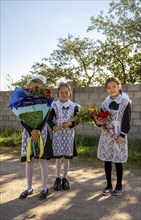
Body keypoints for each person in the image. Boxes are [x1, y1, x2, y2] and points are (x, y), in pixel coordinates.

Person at [95, 77, 131, 196]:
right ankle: (108, 184)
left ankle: (119, 185)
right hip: (107, 135)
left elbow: (127, 121)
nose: (111, 89)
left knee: (118, 161)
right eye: (109, 87)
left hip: (119, 135)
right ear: (106, 90)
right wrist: (98, 122)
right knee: (107, 160)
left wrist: (122, 135)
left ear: (119, 86)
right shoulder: (105, 104)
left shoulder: (125, 102)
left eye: (114, 86)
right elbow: (100, 119)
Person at [19, 74, 52, 200]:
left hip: (41, 133)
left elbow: (46, 117)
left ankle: (44, 188)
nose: (35, 89)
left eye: (38, 87)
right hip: (28, 133)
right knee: (29, 160)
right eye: (33, 87)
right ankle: (29, 187)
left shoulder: (45, 100)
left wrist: (37, 130)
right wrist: (30, 130)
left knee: (42, 160)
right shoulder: (24, 100)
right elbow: (22, 118)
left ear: (42, 88)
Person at [47, 82, 80, 191]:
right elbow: (49, 120)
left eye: (66, 92)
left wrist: (71, 123)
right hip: (58, 133)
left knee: (66, 157)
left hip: (69, 134)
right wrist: (53, 127)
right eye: (62, 92)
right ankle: (57, 178)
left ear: (70, 93)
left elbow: (77, 119)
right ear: (58, 93)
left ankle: (65, 178)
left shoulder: (74, 106)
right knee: (59, 157)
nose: (64, 94)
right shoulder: (54, 105)